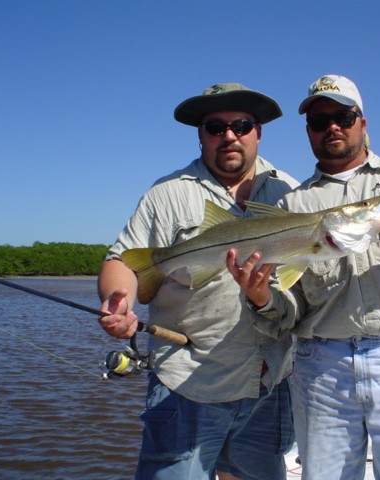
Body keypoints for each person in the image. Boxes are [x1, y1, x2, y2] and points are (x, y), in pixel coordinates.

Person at [228, 75, 380, 479]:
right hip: (321, 367)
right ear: (308, 131)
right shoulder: (292, 205)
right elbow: (289, 310)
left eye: (343, 116)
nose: (332, 126)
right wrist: (262, 299)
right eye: (319, 120)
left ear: (363, 121)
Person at [97, 83, 298, 480]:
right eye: (215, 126)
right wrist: (118, 300)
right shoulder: (166, 194)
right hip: (188, 383)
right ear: (200, 134)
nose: (229, 135)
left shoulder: (290, 192)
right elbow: (122, 259)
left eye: (241, 124)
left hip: (270, 383)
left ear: (258, 131)